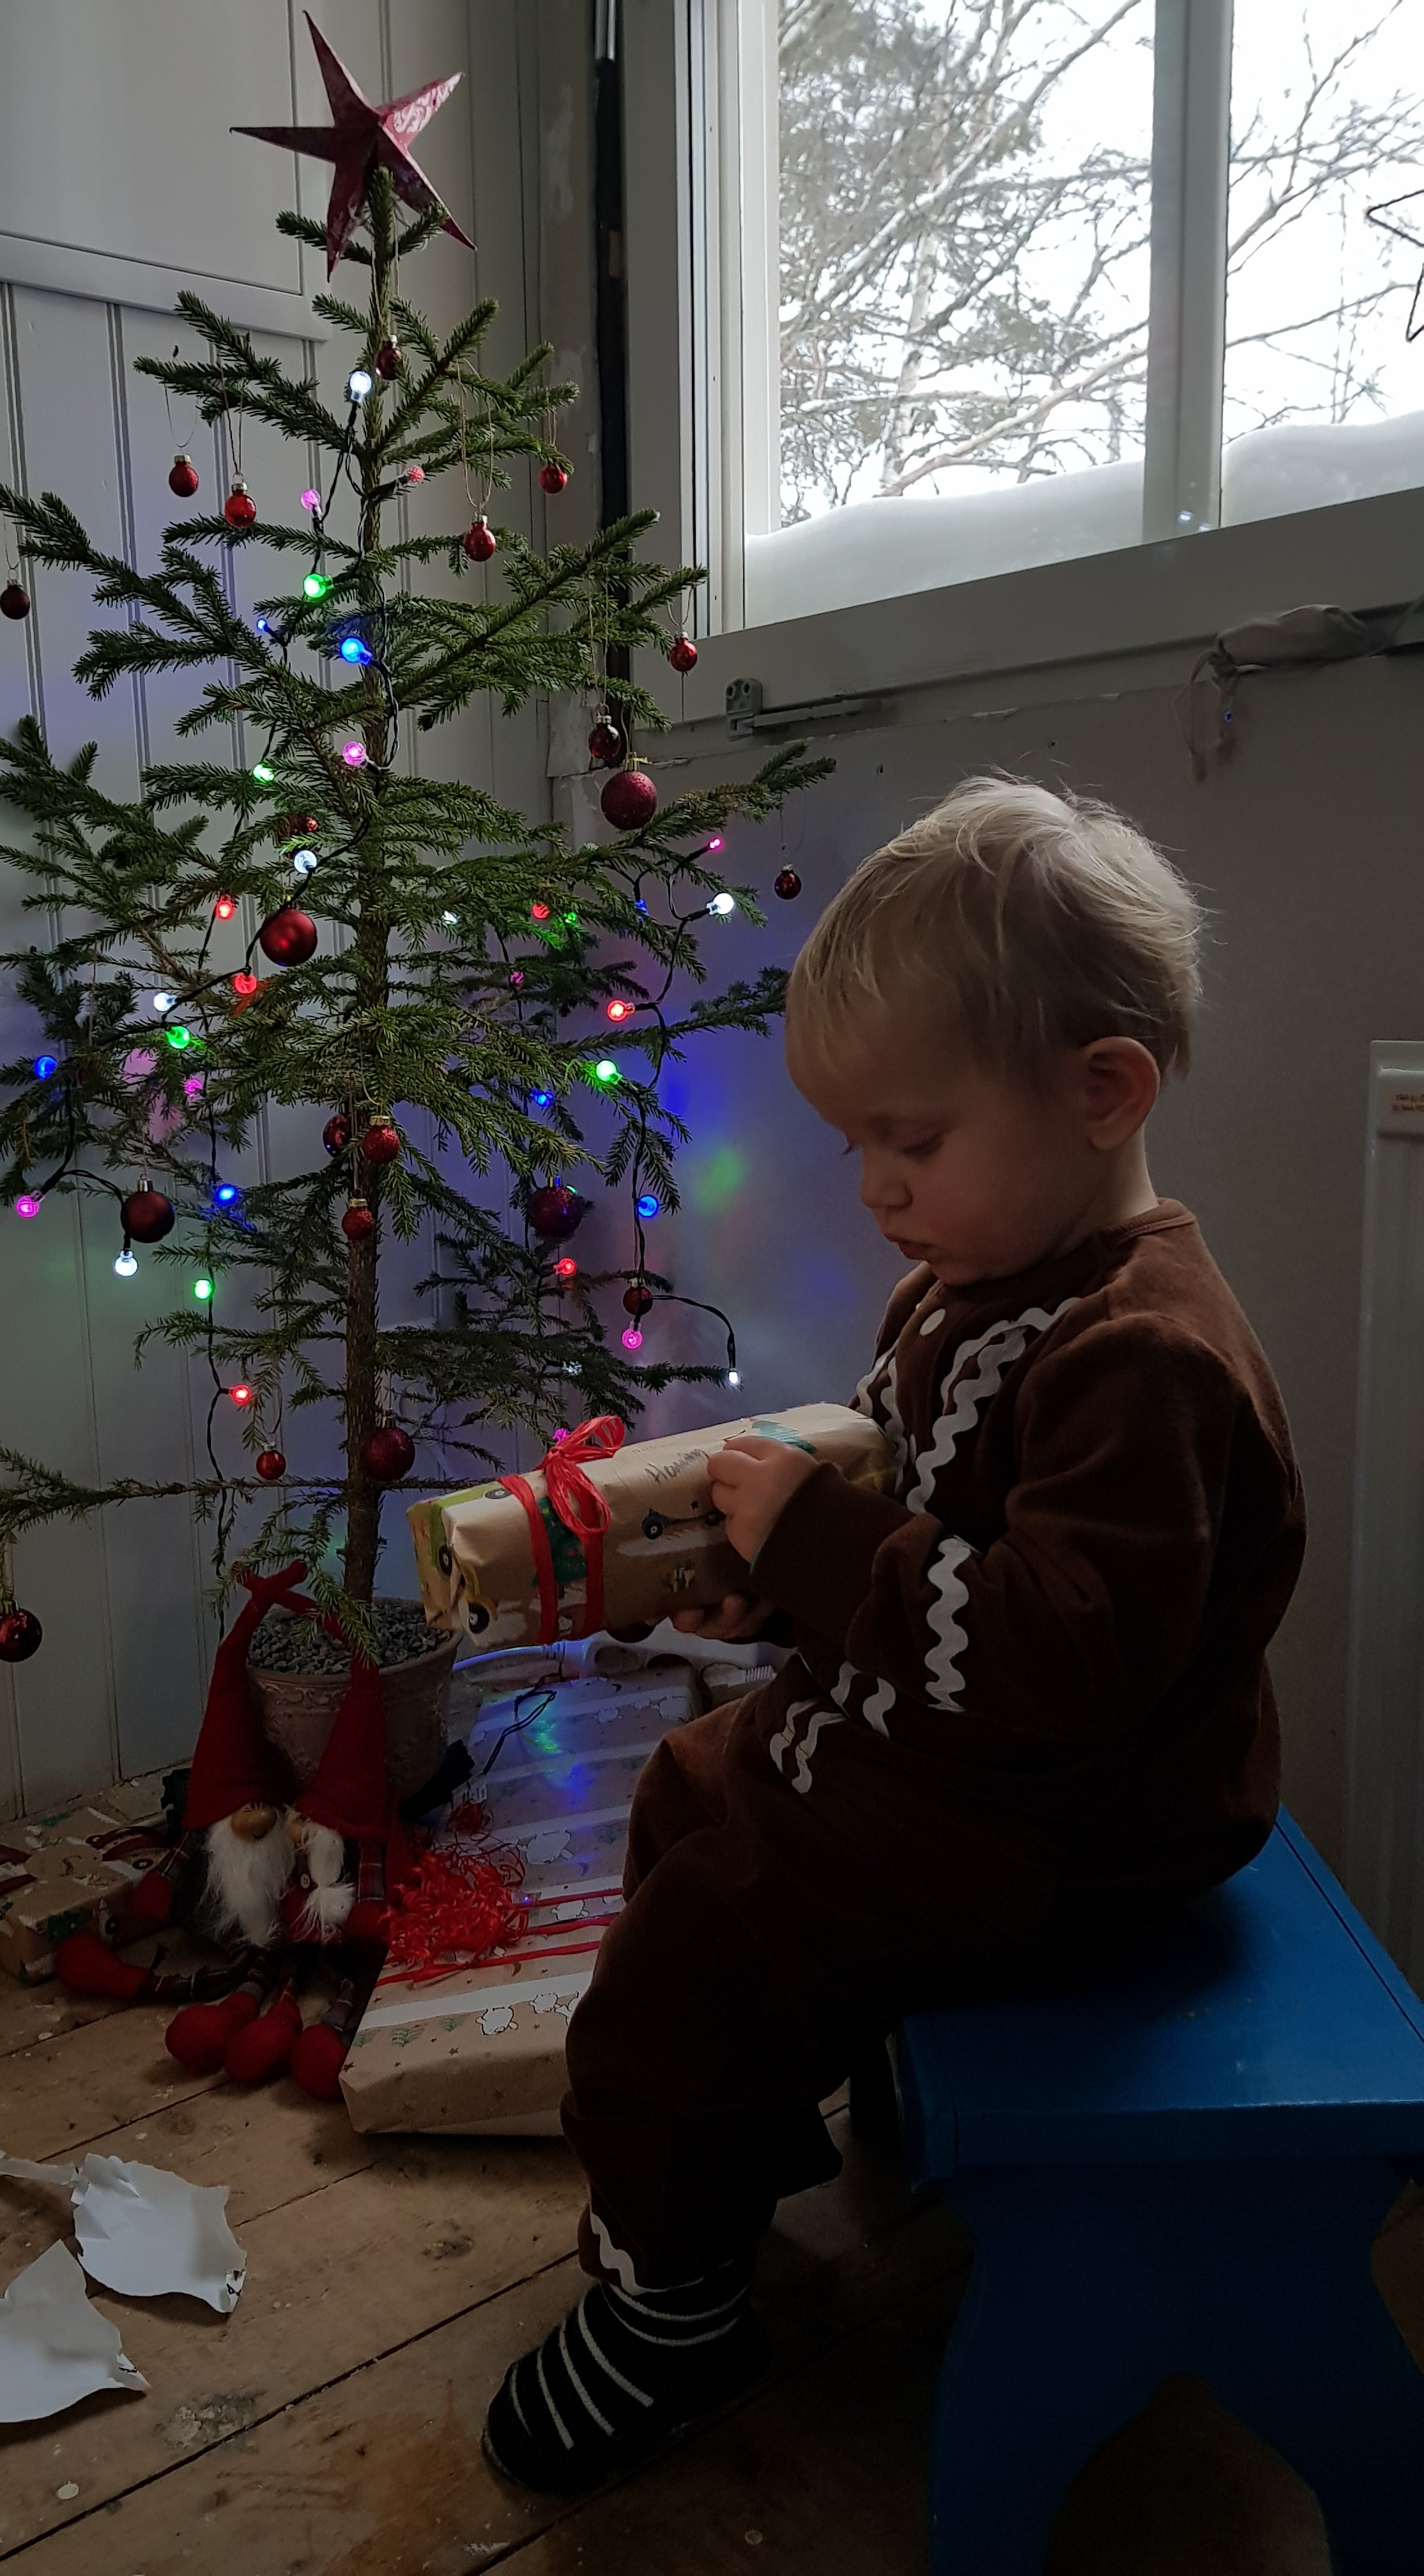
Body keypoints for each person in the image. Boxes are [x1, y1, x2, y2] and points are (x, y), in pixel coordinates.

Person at [480, 776, 1305, 2494]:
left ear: (1103, 1092)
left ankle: (675, 2309)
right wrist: (769, 1577)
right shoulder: (978, 1281)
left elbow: (1055, 1661)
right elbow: (913, 1501)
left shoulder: (1142, 1357)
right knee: (689, 1788)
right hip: (969, 1762)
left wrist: (828, 1553)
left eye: (911, 1143)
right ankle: (759, 2119)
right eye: (857, 1145)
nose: (873, 1187)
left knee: (691, 1958)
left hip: (1078, 1820)